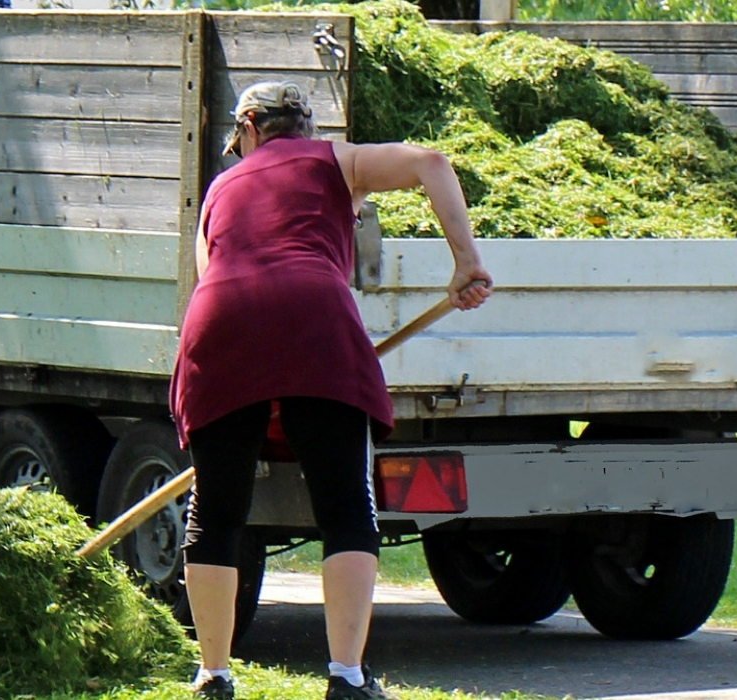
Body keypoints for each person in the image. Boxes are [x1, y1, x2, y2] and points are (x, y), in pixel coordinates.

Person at [170, 81, 494, 700]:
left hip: (218, 321)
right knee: (345, 505)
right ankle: (346, 676)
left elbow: (209, 275)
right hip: (314, 312)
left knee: (215, 512)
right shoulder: (334, 159)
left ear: (249, 131)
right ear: (304, 126)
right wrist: (464, 261)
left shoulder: (217, 190)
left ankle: (212, 675)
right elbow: (431, 162)